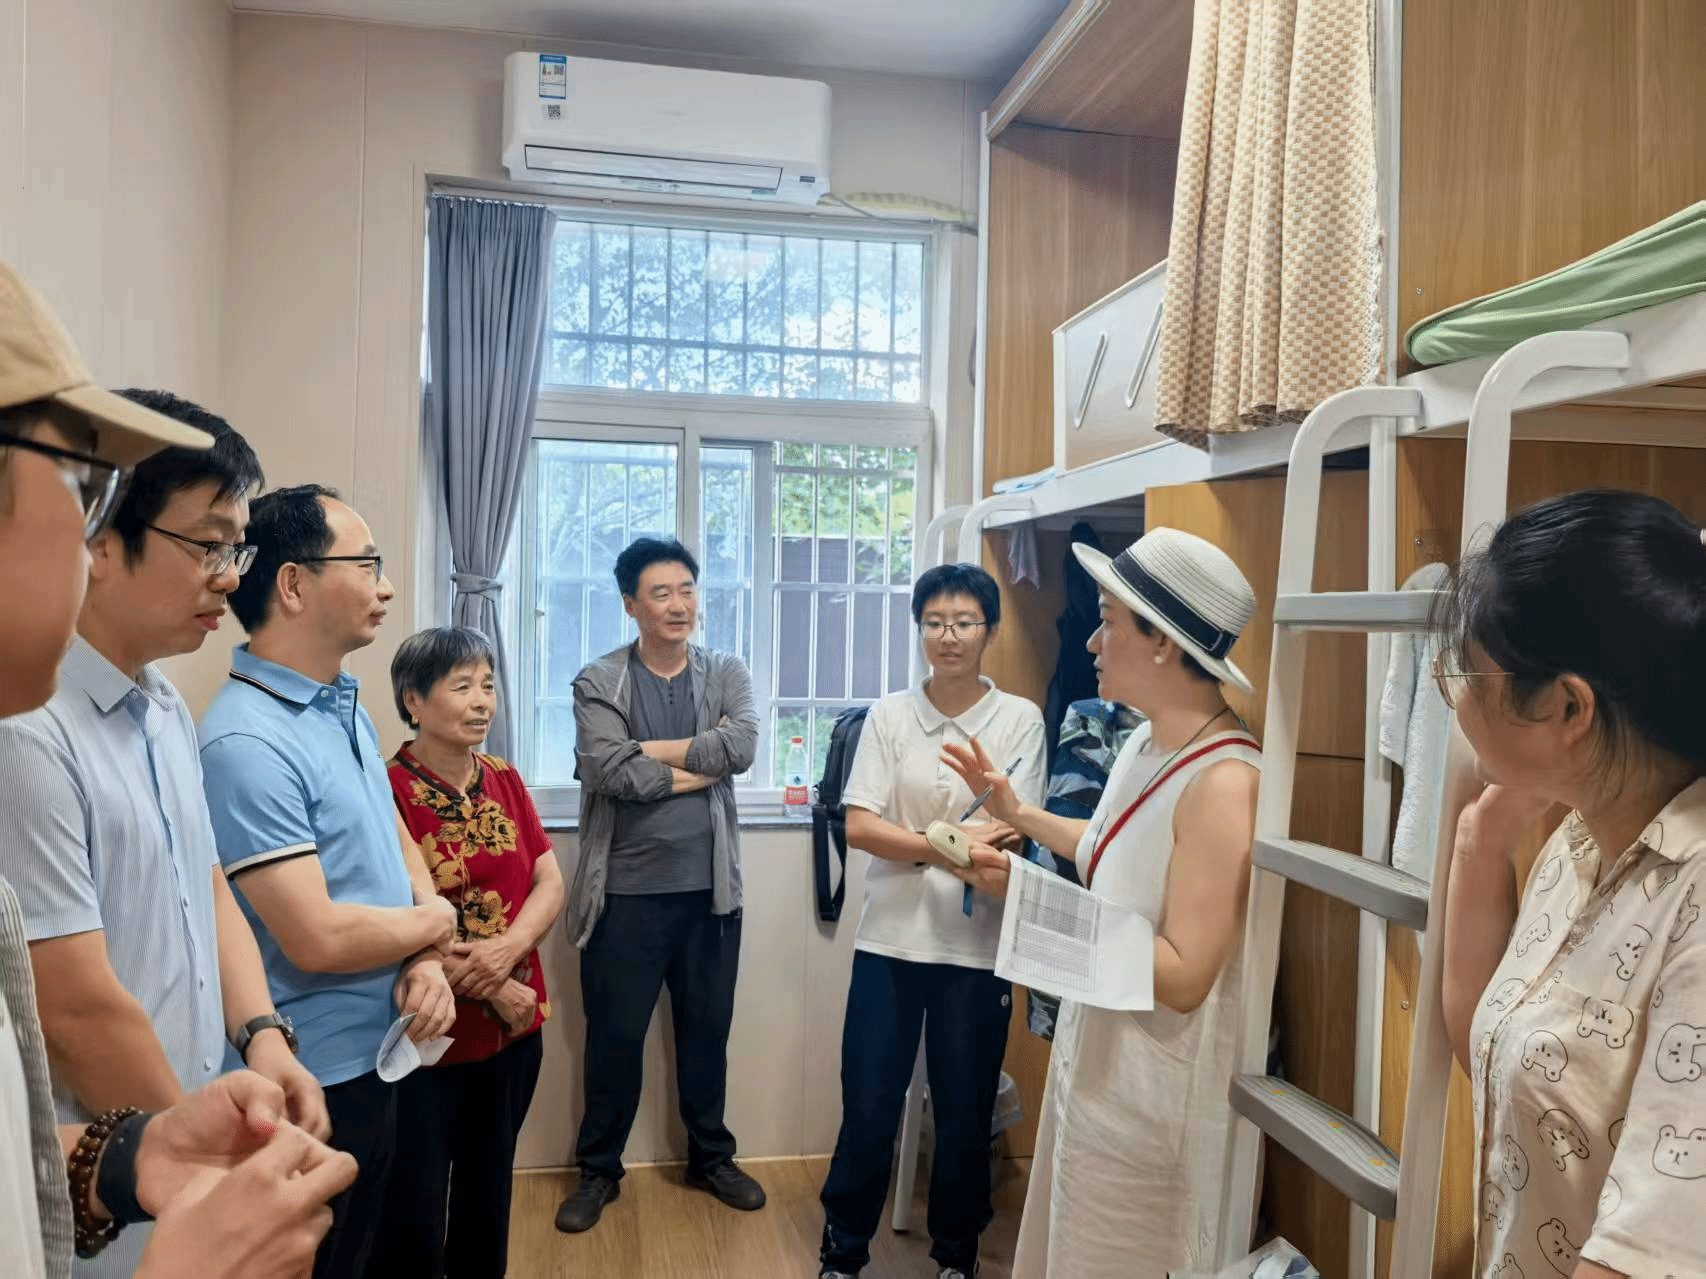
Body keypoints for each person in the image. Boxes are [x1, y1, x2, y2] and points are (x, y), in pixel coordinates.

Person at [0, 255, 353, 1278]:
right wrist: (209, 1171)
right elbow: (77, 1008)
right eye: (78, 486)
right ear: (106, 543)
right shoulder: (29, 729)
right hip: (130, 1173)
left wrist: (261, 1037)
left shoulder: (161, 705)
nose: (229, 579)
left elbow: (207, 882)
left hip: (147, 1148)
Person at [945, 528, 1262, 1278]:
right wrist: (1019, 813)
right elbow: (1110, 851)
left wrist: (1028, 897)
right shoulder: (1146, 746)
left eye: (1108, 621)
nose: (1090, 641)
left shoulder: (1225, 783)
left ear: (1163, 643)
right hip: (1099, 1070)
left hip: (1155, 1102)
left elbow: (1184, 974)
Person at [1434, 490, 1706, 1279]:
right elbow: (1494, 1052)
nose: (1457, 696)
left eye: (1473, 674)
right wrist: (1480, 838)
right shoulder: (1583, 835)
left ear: (1567, 705)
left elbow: (1645, 1259)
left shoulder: (1693, 895)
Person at [198, 483, 459, 1278]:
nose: (387, 587)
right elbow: (315, 936)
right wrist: (439, 925)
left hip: (385, 1051)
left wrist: (424, 953)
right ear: (293, 583)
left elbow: (394, 838)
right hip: (312, 1082)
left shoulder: (342, 701)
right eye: (368, 564)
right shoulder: (245, 741)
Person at [816, 563, 1045, 1279]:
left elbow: (1013, 833)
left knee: (965, 1114)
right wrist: (951, 843)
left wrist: (916, 841)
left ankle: (956, 1256)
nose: (949, 636)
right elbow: (860, 827)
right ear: (919, 630)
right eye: (935, 622)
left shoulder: (1020, 719)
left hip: (975, 950)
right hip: (888, 941)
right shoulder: (890, 714)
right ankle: (842, 1254)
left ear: (990, 631)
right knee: (869, 1105)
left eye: (964, 622)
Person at [556, 536, 765, 1233]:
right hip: (623, 895)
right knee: (613, 1041)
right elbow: (608, 771)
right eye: (661, 592)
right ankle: (598, 1170)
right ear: (631, 604)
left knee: (707, 1035)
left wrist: (646, 750)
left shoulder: (725, 670)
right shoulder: (599, 679)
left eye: (687, 589)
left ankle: (712, 1158)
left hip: (711, 895)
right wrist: (700, 764)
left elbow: (741, 747)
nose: (679, 605)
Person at [375, 626, 563, 1278]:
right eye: (462, 687)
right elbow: (401, 916)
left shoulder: (504, 777)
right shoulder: (386, 789)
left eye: (487, 685)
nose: (483, 701)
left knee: (490, 1191)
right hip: (433, 1033)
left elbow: (548, 878)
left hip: (516, 1028)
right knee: (416, 1204)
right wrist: (495, 983)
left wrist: (509, 949)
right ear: (414, 700)